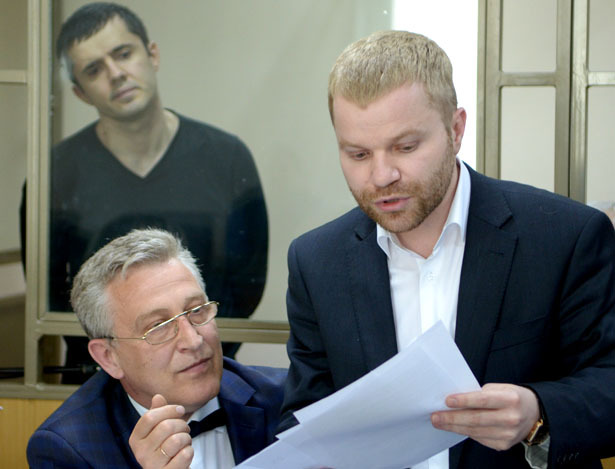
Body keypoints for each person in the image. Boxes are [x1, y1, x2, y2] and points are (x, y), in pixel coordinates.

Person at [278, 30, 615, 468]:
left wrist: (539, 414)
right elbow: (303, 420)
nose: (381, 176)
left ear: (456, 130)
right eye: (358, 154)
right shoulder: (315, 262)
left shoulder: (565, 236)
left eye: (405, 147)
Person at [20, 1, 268, 382]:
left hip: (204, 369)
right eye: (94, 69)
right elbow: (50, 297)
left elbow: (246, 284)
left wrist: (192, 352)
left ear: (152, 55)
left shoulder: (226, 157)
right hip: (100, 379)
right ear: (80, 92)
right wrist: (124, 364)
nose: (116, 74)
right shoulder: (53, 177)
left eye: (123, 53)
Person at [26, 228, 285, 468]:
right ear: (109, 357)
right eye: (159, 326)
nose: (193, 341)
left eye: (196, 310)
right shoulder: (69, 448)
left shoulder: (285, 398)